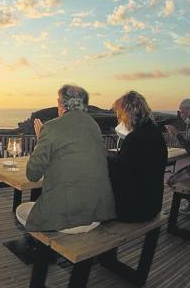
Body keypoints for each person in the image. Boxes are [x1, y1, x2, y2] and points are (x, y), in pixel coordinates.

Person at [18, 84, 116, 232]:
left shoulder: (51, 128)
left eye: (58, 101)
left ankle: (38, 249)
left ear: (64, 104)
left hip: (68, 216)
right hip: (97, 212)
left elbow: (32, 175)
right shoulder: (93, 126)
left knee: (22, 209)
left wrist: (40, 140)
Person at [108, 91, 167, 222]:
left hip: (136, 210)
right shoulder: (155, 132)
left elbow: (119, 174)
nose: (119, 119)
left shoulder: (134, 139)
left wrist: (106, 160)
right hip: (153, 204)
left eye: (119, 115)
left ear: (127, 114)